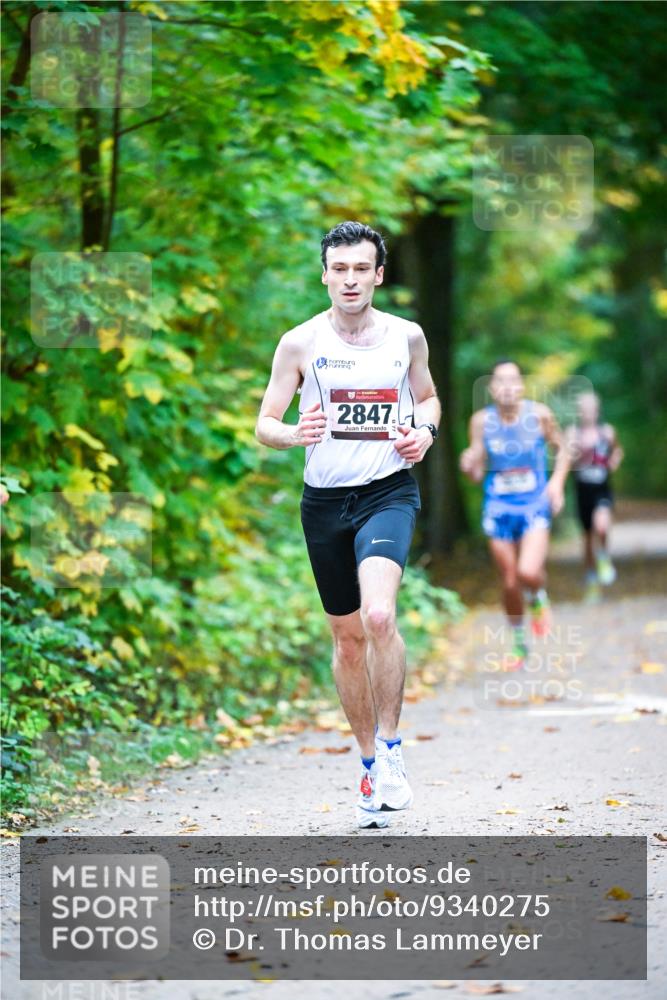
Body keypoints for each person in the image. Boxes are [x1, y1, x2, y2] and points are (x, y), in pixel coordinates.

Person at [255, 221, 440, 828]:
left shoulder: (406, 337)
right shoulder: (299, 343)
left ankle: (391, 751)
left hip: (387, 492)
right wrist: (293, 435)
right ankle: (365, 762)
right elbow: (265, 423)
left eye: (362, 269)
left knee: (378, 615)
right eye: (341, 269)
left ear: (379, 275)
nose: (351, 279)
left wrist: (425, 432)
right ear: (325, 274)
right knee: (347, 637)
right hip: (325, 503)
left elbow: (430, 398)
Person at [459, 360, 570, 670]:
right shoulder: (481, 421)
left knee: (528, 572)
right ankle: (520, 644)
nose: (507, 387)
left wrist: (557, 484)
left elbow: (564, 449)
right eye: (500, 381)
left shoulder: (539, 415)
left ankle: (538, 597)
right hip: (498, 506)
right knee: (509, 581)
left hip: (534, 504)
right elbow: (478, 469)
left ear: (522, 386)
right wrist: (469, 464)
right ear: (492, 389)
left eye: (513, 381)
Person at [565, 391, 623, 602]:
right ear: (579, 412)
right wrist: (575, 454)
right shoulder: (573, 433)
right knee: (588, 536)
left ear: (597, 411)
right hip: (582, 490)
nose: (588, 413)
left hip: (602, 488)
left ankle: (604, 557)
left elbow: (617, 451)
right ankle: (591, 576)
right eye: (584, 409)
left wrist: (614, 461)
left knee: (602, 526)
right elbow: (566, 459)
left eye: (591, 408)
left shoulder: (607, 432)